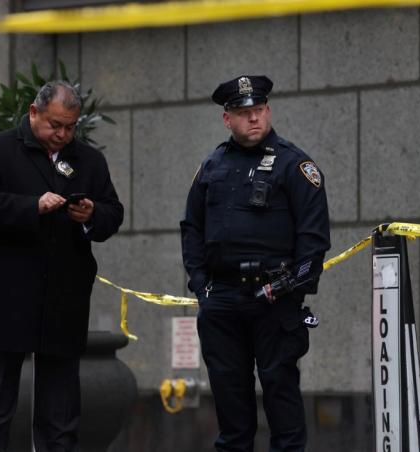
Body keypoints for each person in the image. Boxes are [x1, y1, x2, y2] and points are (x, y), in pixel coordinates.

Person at [0, 81, 123, 452]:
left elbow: (113, 214)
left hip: (63, 295)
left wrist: (92, 214)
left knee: (61, 406)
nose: (62, 134)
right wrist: (32, 206)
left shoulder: (88, 159)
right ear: (33, 113)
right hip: (9, 293)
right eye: (55, 125)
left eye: (70, 126)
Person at [181, 74, 331, 452]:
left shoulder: (295, 166)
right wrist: (201, 285)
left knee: (281, 401)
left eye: (259, 110)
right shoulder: (212, 165)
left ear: (268, 111)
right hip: (223, 301)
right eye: (244, 112)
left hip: (274, 300)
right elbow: (192, 227)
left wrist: (286, 289)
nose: (254, 118)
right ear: (227, 118)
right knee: (232, 413)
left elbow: (313, 243)